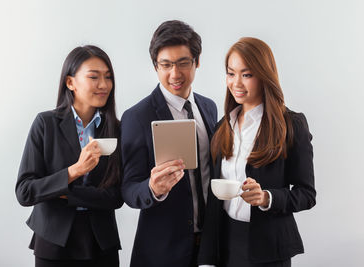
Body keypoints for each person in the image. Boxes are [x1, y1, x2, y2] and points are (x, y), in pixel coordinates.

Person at [198, 37, 316, 267]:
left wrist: (266, 198)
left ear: (264, 75)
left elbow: (307, 194)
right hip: (226, 245)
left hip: (269, 250)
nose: (236, 83)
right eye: (231, 73)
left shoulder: (291, 125)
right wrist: (206, 259)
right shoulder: (223, 126)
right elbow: (214, 200)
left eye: (247, 74)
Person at [121, 20, 217, 267]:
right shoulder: (137, 116)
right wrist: (153, 188)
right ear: (155, 66)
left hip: (211, 246)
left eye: (183, 63)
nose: (175, 74)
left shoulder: (209, 108)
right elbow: (129, 189)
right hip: (162, 250)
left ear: (197, 61)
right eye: (166, 65)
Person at [16, 45, 123, 267]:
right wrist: (75, 171)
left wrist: (64, 193)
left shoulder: (116, 129)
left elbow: (115, 196)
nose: (104, 85)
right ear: (70, 82)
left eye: (108, 77)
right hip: (53, 243)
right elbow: (25, 192)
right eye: (94, 77)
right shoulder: (45, 124)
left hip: (102, 243)